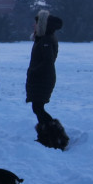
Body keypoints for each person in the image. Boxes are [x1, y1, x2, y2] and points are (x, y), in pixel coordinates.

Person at [27, 9, 66, 146]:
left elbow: (48, 61)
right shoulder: (42, 39)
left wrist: (34, 71)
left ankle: (55, 135)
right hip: (40, 79)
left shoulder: (46, 40)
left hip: (43, 79)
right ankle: (48, 135)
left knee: (38, 107)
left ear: (42, 25)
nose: (34, 25)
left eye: (36, 23)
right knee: (37, 107)